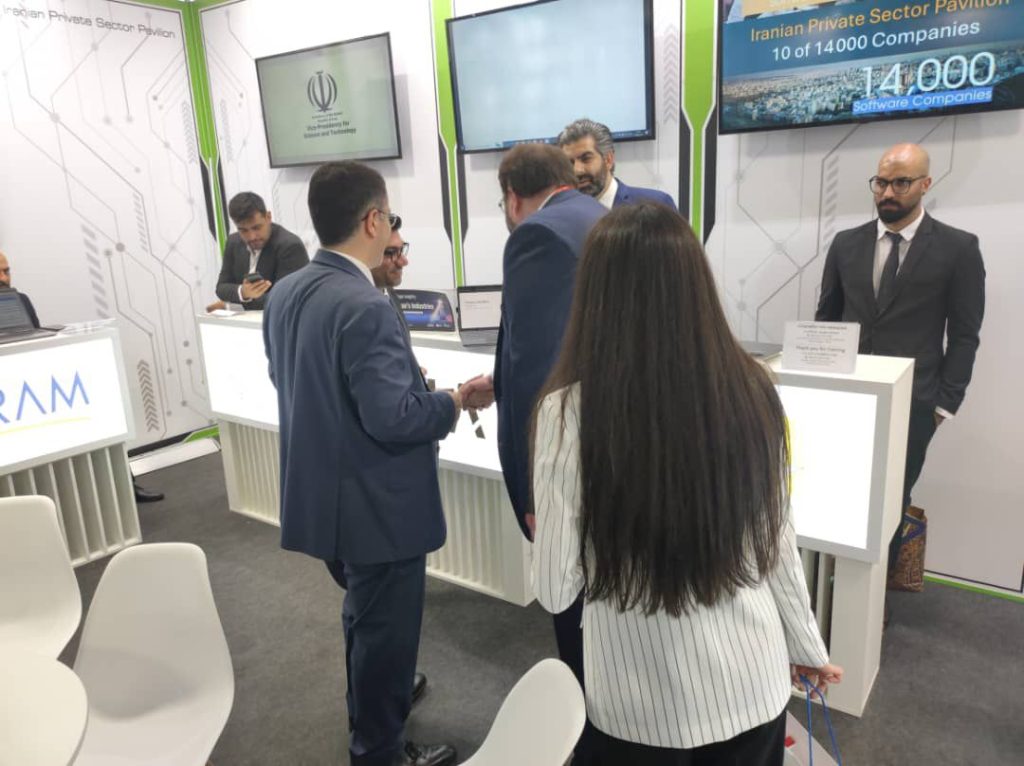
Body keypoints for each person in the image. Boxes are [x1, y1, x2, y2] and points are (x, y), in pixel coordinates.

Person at [532, 202, 842, 765]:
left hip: (636, 704)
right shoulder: (755, 390)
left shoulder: (567, 412)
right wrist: (807, 647)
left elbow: (555, 589)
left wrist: (556, 525)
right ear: (697, 286)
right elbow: (777, 540)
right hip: (753, 684)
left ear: (596, 297)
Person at [263, 161, 468, 766]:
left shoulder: (286, 291)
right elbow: (394, 419)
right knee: (385, 634)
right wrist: (451, 402)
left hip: (324, 497)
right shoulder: (365, 305)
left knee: (362, 616)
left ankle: (374, 707)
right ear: (374, 220)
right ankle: (379, 750)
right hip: (378, 508)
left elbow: (291, 380)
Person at [467, 143, 606, 761]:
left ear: (511, 196)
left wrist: (532, 492)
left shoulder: (537, 236)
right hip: (612, 449)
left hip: (567, 469)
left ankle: (588, 741)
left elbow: (539, 378)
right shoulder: (600, 217)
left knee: (574, 621)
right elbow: (566, 347)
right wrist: (499, 380)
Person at [815, 143, 985, 567]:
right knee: (835, 492)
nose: (888, 192)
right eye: (881, 182)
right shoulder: (846, 244)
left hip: (914, 403)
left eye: (901, 183)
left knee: (891, 499)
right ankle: (830, 587)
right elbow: (827, 319)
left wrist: (944, 405)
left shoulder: (958, 248)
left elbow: (964, 335)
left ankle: (877, 594)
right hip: (844, 398)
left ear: (926, 184)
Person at [0, 249, 165, 503]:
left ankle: (125, 486)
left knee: (98, 412)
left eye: (7, 271)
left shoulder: (20, 300)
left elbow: (34, 339)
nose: (4, 278)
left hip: (32, 388)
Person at [216, 192, 308, 310]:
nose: (251, 237)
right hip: (245, 319)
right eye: (243, 230)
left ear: (268, 217)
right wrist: (243, 292)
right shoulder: (233, 242)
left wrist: (238, 302)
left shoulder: (290, 246)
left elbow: (284, 298)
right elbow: (221, 287)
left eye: (256, 228)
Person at [557, 118, 676, 210]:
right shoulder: (562, 216)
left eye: (586, 158)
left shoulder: (656, 205)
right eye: (569, 163)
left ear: (608, 159)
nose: (577, 170)